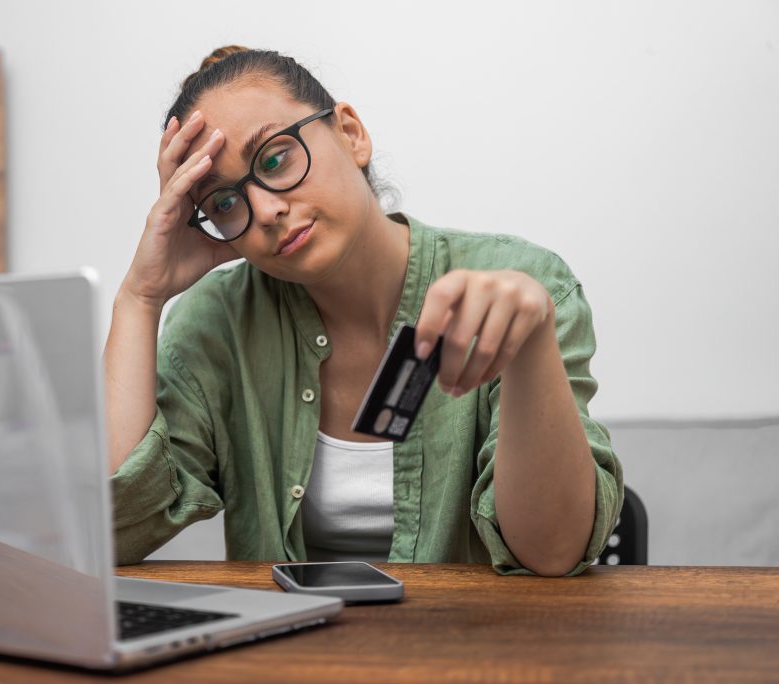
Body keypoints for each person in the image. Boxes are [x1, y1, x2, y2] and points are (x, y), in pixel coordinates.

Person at [104, 46, 623, 576]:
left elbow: (552, 554)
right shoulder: (218, 322)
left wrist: (528, 345)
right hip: (288, 655)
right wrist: (139, 299)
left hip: (473, 651)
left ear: (350, 134)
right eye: (225, 204)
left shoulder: (522, 288)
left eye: (276, 159)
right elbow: (115, 531)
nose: (265, 211)